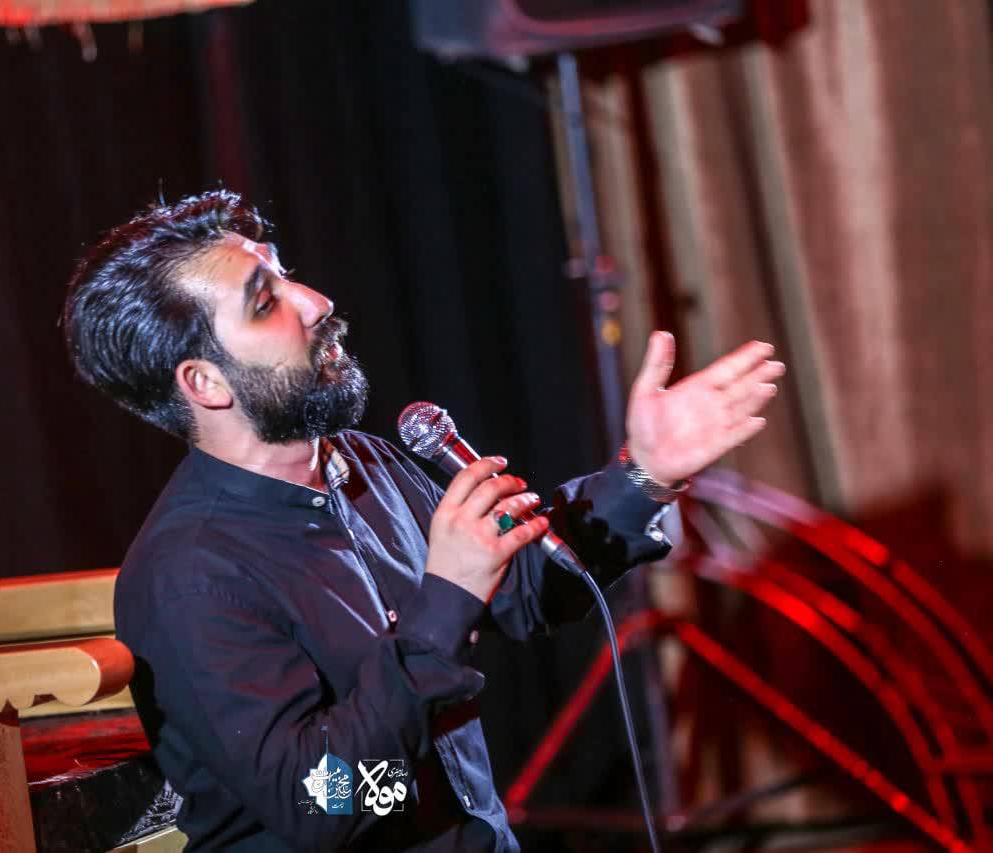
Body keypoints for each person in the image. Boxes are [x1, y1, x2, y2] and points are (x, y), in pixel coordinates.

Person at [60, 190, 784, 851]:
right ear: (205, 382)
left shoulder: (363, 463)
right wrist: (441, 607)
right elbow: (323, 801)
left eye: (287, 275)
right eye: (265, 300)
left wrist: (644, 474)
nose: (315, 302)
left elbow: (528, 586)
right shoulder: (191, 576)